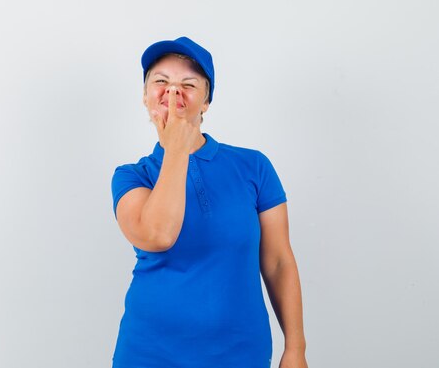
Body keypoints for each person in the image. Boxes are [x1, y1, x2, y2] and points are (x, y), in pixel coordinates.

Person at [110, 37, 308, 368]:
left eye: (188, 84)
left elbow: (278, 261)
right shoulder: (131, 176)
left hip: (240, 353)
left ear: (205, 102)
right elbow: (158, 235)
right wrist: (176, 148)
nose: (173, 92)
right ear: (146, 98)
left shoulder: (253, 167)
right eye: (160, 82)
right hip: (149, 354)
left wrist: (296, 349)